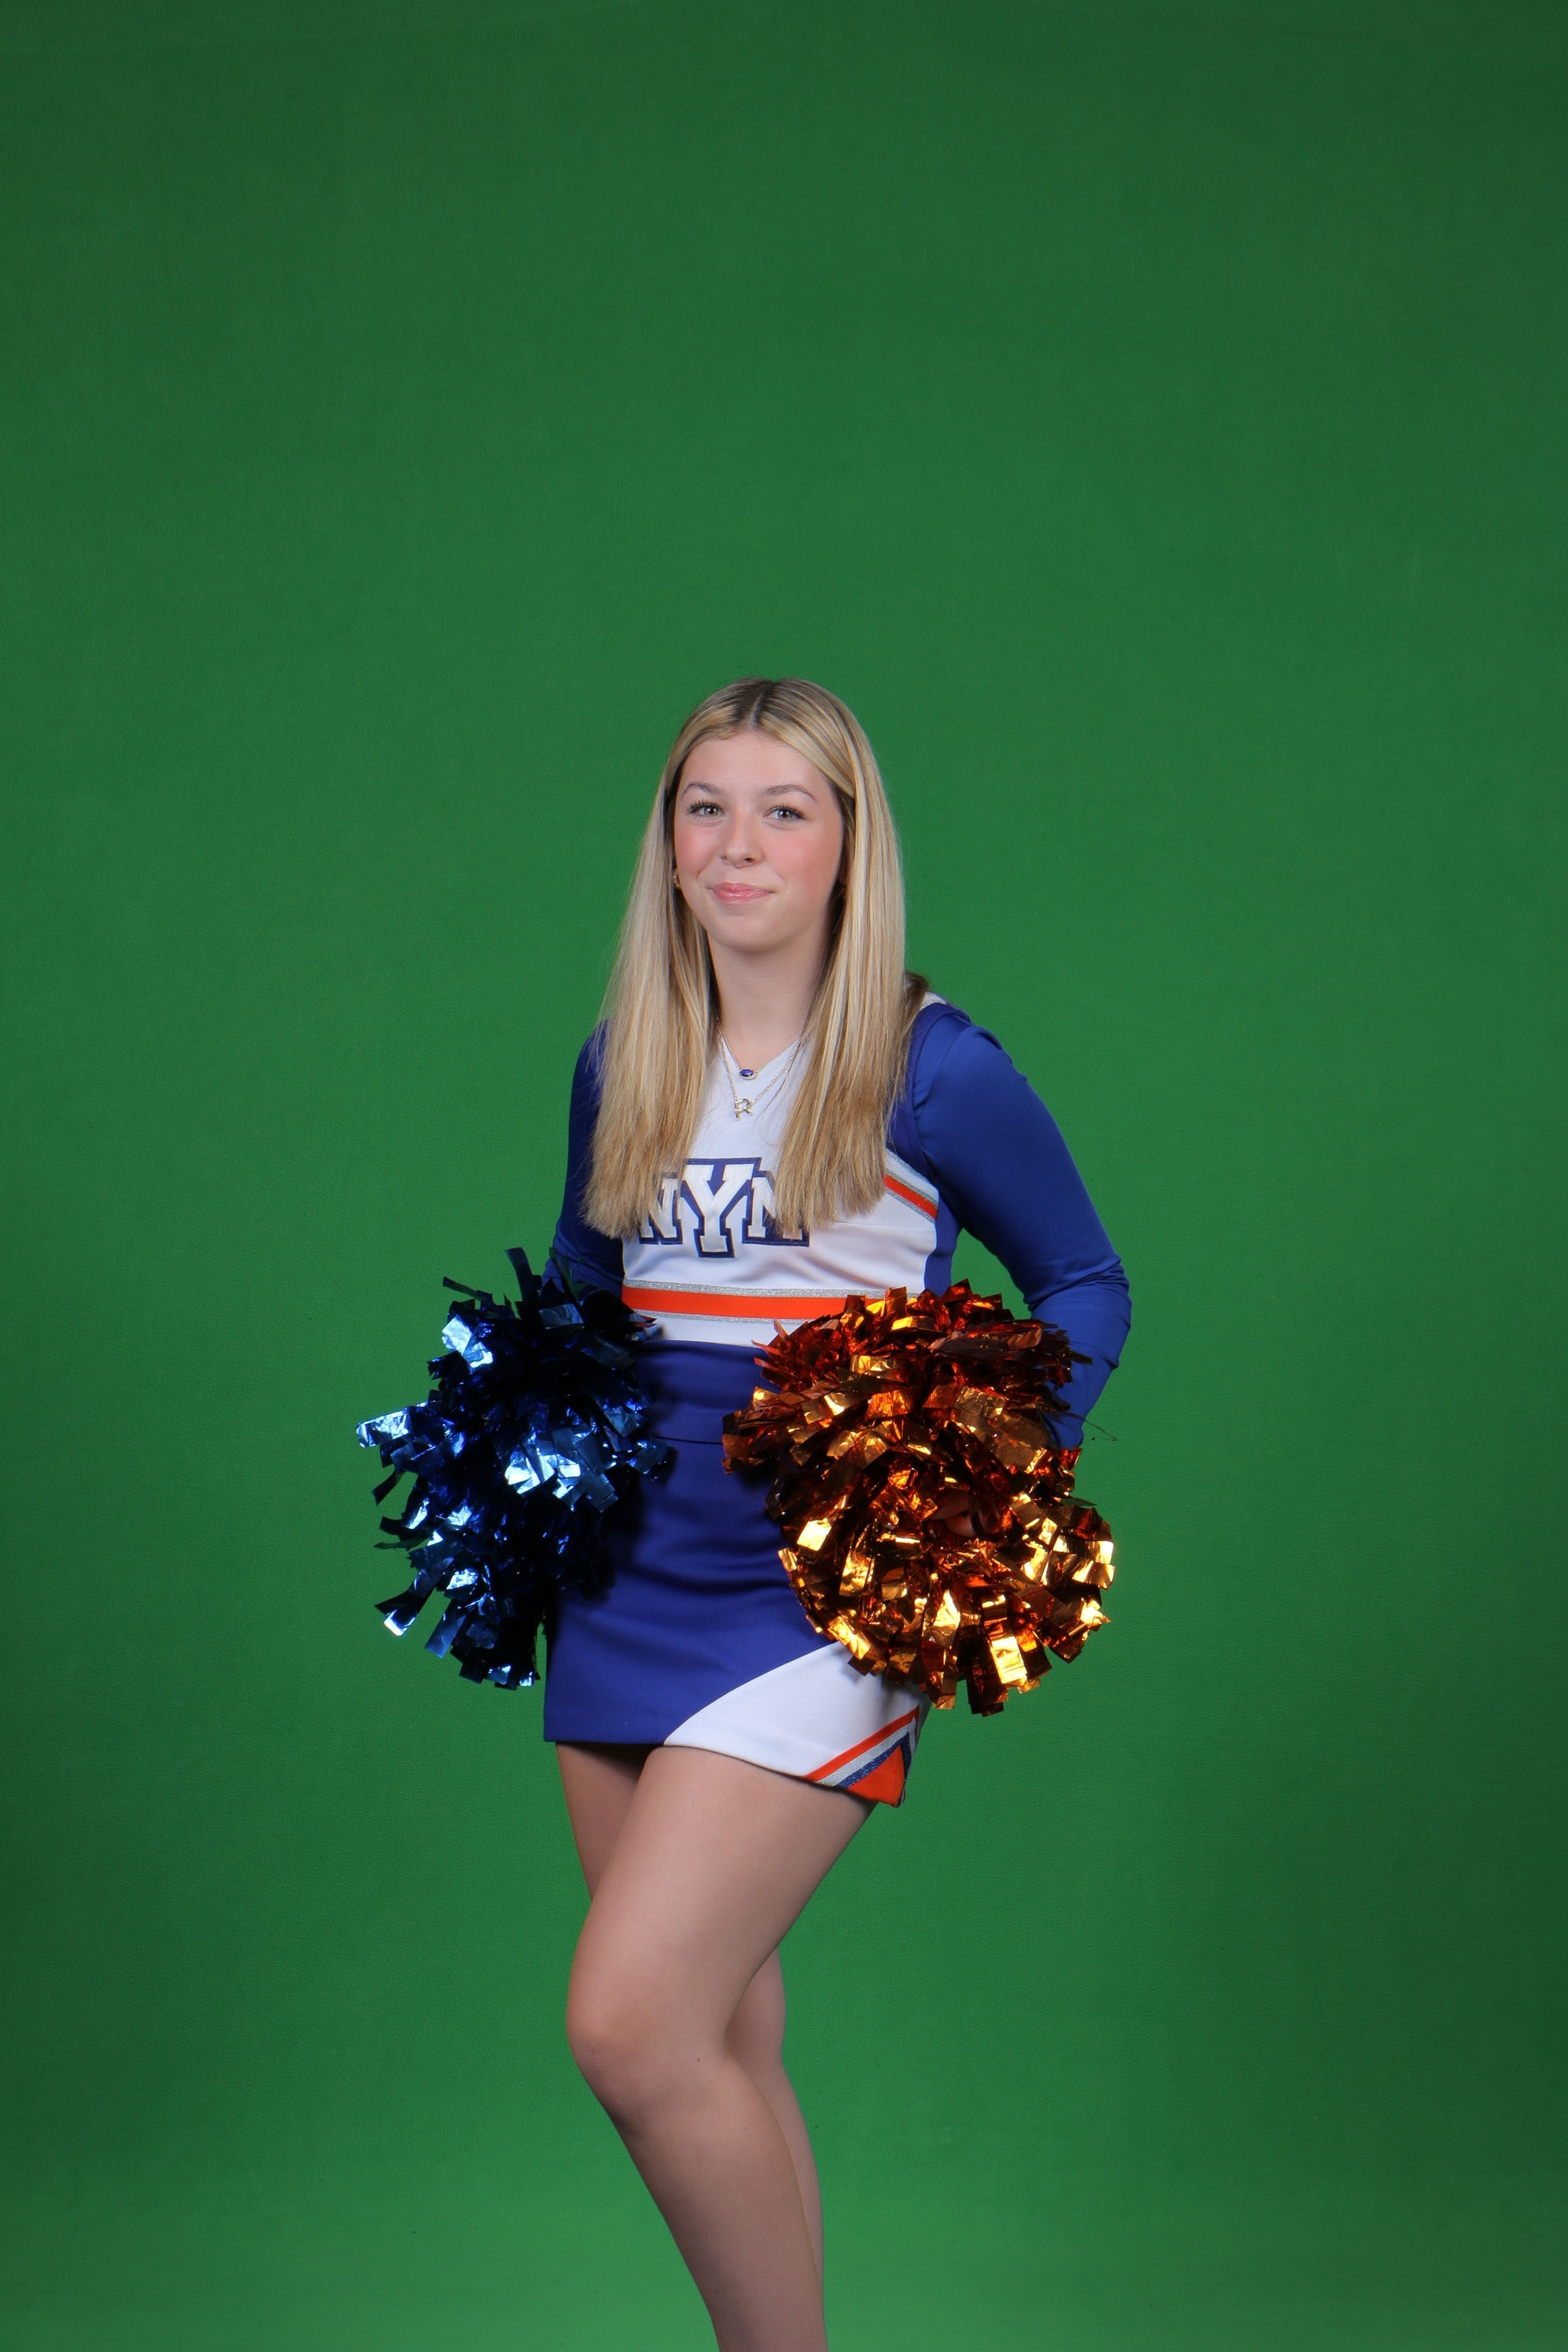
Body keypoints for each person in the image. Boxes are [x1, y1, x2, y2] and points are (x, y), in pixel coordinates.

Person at [547, 677, 1130, 2352]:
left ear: (849, 848)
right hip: (625, 1583)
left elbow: (1087, 1284)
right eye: (705, 808)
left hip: (815, 1598)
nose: (738, 845)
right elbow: (584, 1289)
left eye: (783, 810)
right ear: (667, 845)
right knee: (722, 2036)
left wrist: (972, 1474)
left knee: (632, 2028)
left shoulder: (931, 1070)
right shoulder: (624, 1060)